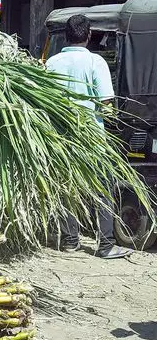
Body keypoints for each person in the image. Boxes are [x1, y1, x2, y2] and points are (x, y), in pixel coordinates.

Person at [46, 14, 132, 259]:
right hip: (91, 139)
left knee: (67, 187)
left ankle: (70, 241)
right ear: (89, 35)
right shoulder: (96, 62)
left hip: (61, 138)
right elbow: (106, 102)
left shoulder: (52, 63)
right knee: (101, 189)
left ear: (65, 35)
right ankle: (105, 244)